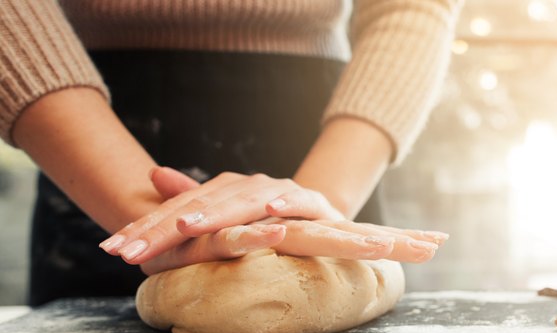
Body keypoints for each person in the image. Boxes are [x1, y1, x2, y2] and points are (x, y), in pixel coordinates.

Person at [0, 0, 463, 306]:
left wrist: (315, 208)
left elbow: (413, 7)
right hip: (82, 134)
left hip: (328, 142)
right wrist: (147, 219)